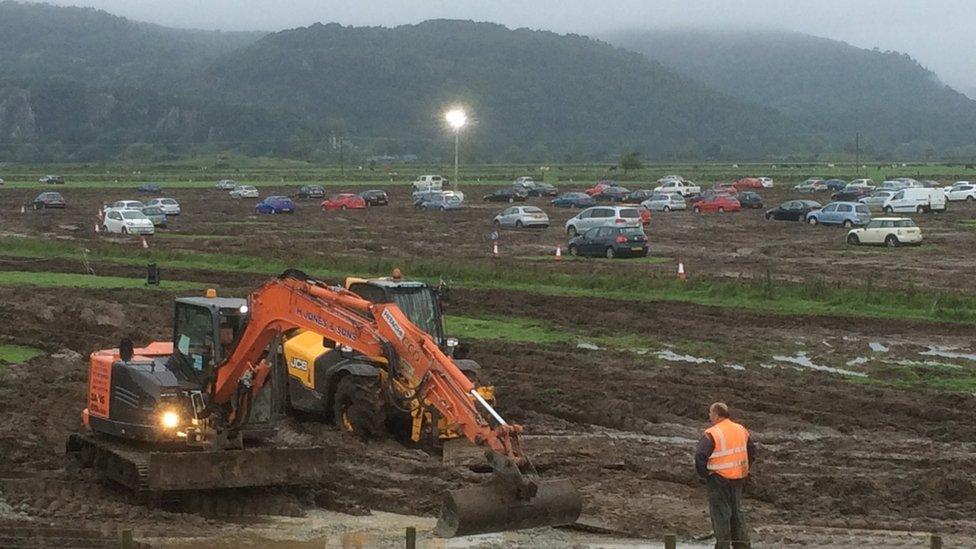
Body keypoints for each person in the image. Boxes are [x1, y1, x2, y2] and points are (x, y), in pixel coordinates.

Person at [694, 402, 756, 549]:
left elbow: (700, 455)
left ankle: (722, 546)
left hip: (719, 478)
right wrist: (744, 467)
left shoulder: (713, 433)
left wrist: (705, 473)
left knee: (721, 514)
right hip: (739, 477)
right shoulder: (741, 429)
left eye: (710, 413)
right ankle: (742, 545)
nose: (709, 416)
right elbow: (752, 451)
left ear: (716, 414)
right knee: (737, 513)